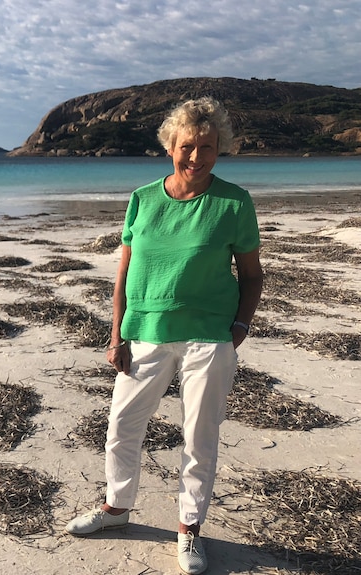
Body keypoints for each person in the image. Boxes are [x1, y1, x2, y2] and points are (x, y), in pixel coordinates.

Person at [65, 96, 263, 575]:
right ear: (170, 146)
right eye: (188, 147)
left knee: (199, 436)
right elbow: (125, 274)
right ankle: (116, 508)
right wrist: (116, 335)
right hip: (146, 334)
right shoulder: (143, 198)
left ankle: (189, 528)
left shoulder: (233, 202)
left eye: (208, 147)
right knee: (122, 428)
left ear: (221, 149)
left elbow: (252, 275)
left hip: (209, 339)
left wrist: (238, 328)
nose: (197, 158)